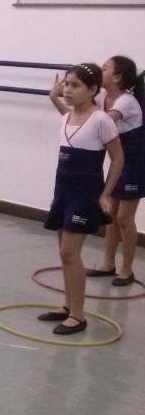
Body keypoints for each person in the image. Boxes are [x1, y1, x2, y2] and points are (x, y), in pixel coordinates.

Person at [39, 63, 123, 335]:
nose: (67, 90)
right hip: (63, 191)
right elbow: (67, 115)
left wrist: (105, 194)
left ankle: (78, 315)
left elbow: (118, 158)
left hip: (85, 194)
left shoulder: (101, 120)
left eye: (75, 85)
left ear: (92, 90)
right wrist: (53, 96)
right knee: (64, 254)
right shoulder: (67, 116)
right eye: (66, 84)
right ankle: (68, 305)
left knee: (69, 253)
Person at [86, 55, 143, 286]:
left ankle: (127, 270)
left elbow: (102, 122)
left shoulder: (126, 101)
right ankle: (108, 264)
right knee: (112, 216)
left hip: (136, 164)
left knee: (124, 218)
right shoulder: (104, 97)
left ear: (117, 77)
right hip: (119, 162)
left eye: (105, 68)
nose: (101, 71)